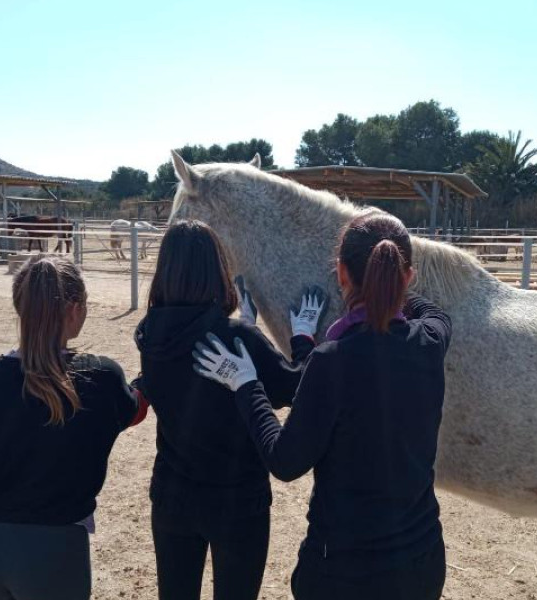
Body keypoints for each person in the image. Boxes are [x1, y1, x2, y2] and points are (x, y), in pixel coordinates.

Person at [194, 211, 452, 600]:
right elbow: (435, 313)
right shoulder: (430, 340)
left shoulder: (332, 360)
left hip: (343, 573)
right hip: (421, 563)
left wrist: (245, 384)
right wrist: (392, 285)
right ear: (407, 276)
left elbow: (285, 461)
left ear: (341, 273)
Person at [0, 255, 148, 600]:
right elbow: (135, 410)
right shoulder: (101, 378)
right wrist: (150, 367)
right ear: (75, 309)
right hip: (58, 552)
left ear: (19, 306)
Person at [134, 219, 326, 600]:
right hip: (237, 501)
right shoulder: (239, 338)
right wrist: (302, 336)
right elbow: (294, 387)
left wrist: (246, 328)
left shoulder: (150, 335)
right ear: (215, 269)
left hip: (172, 494)